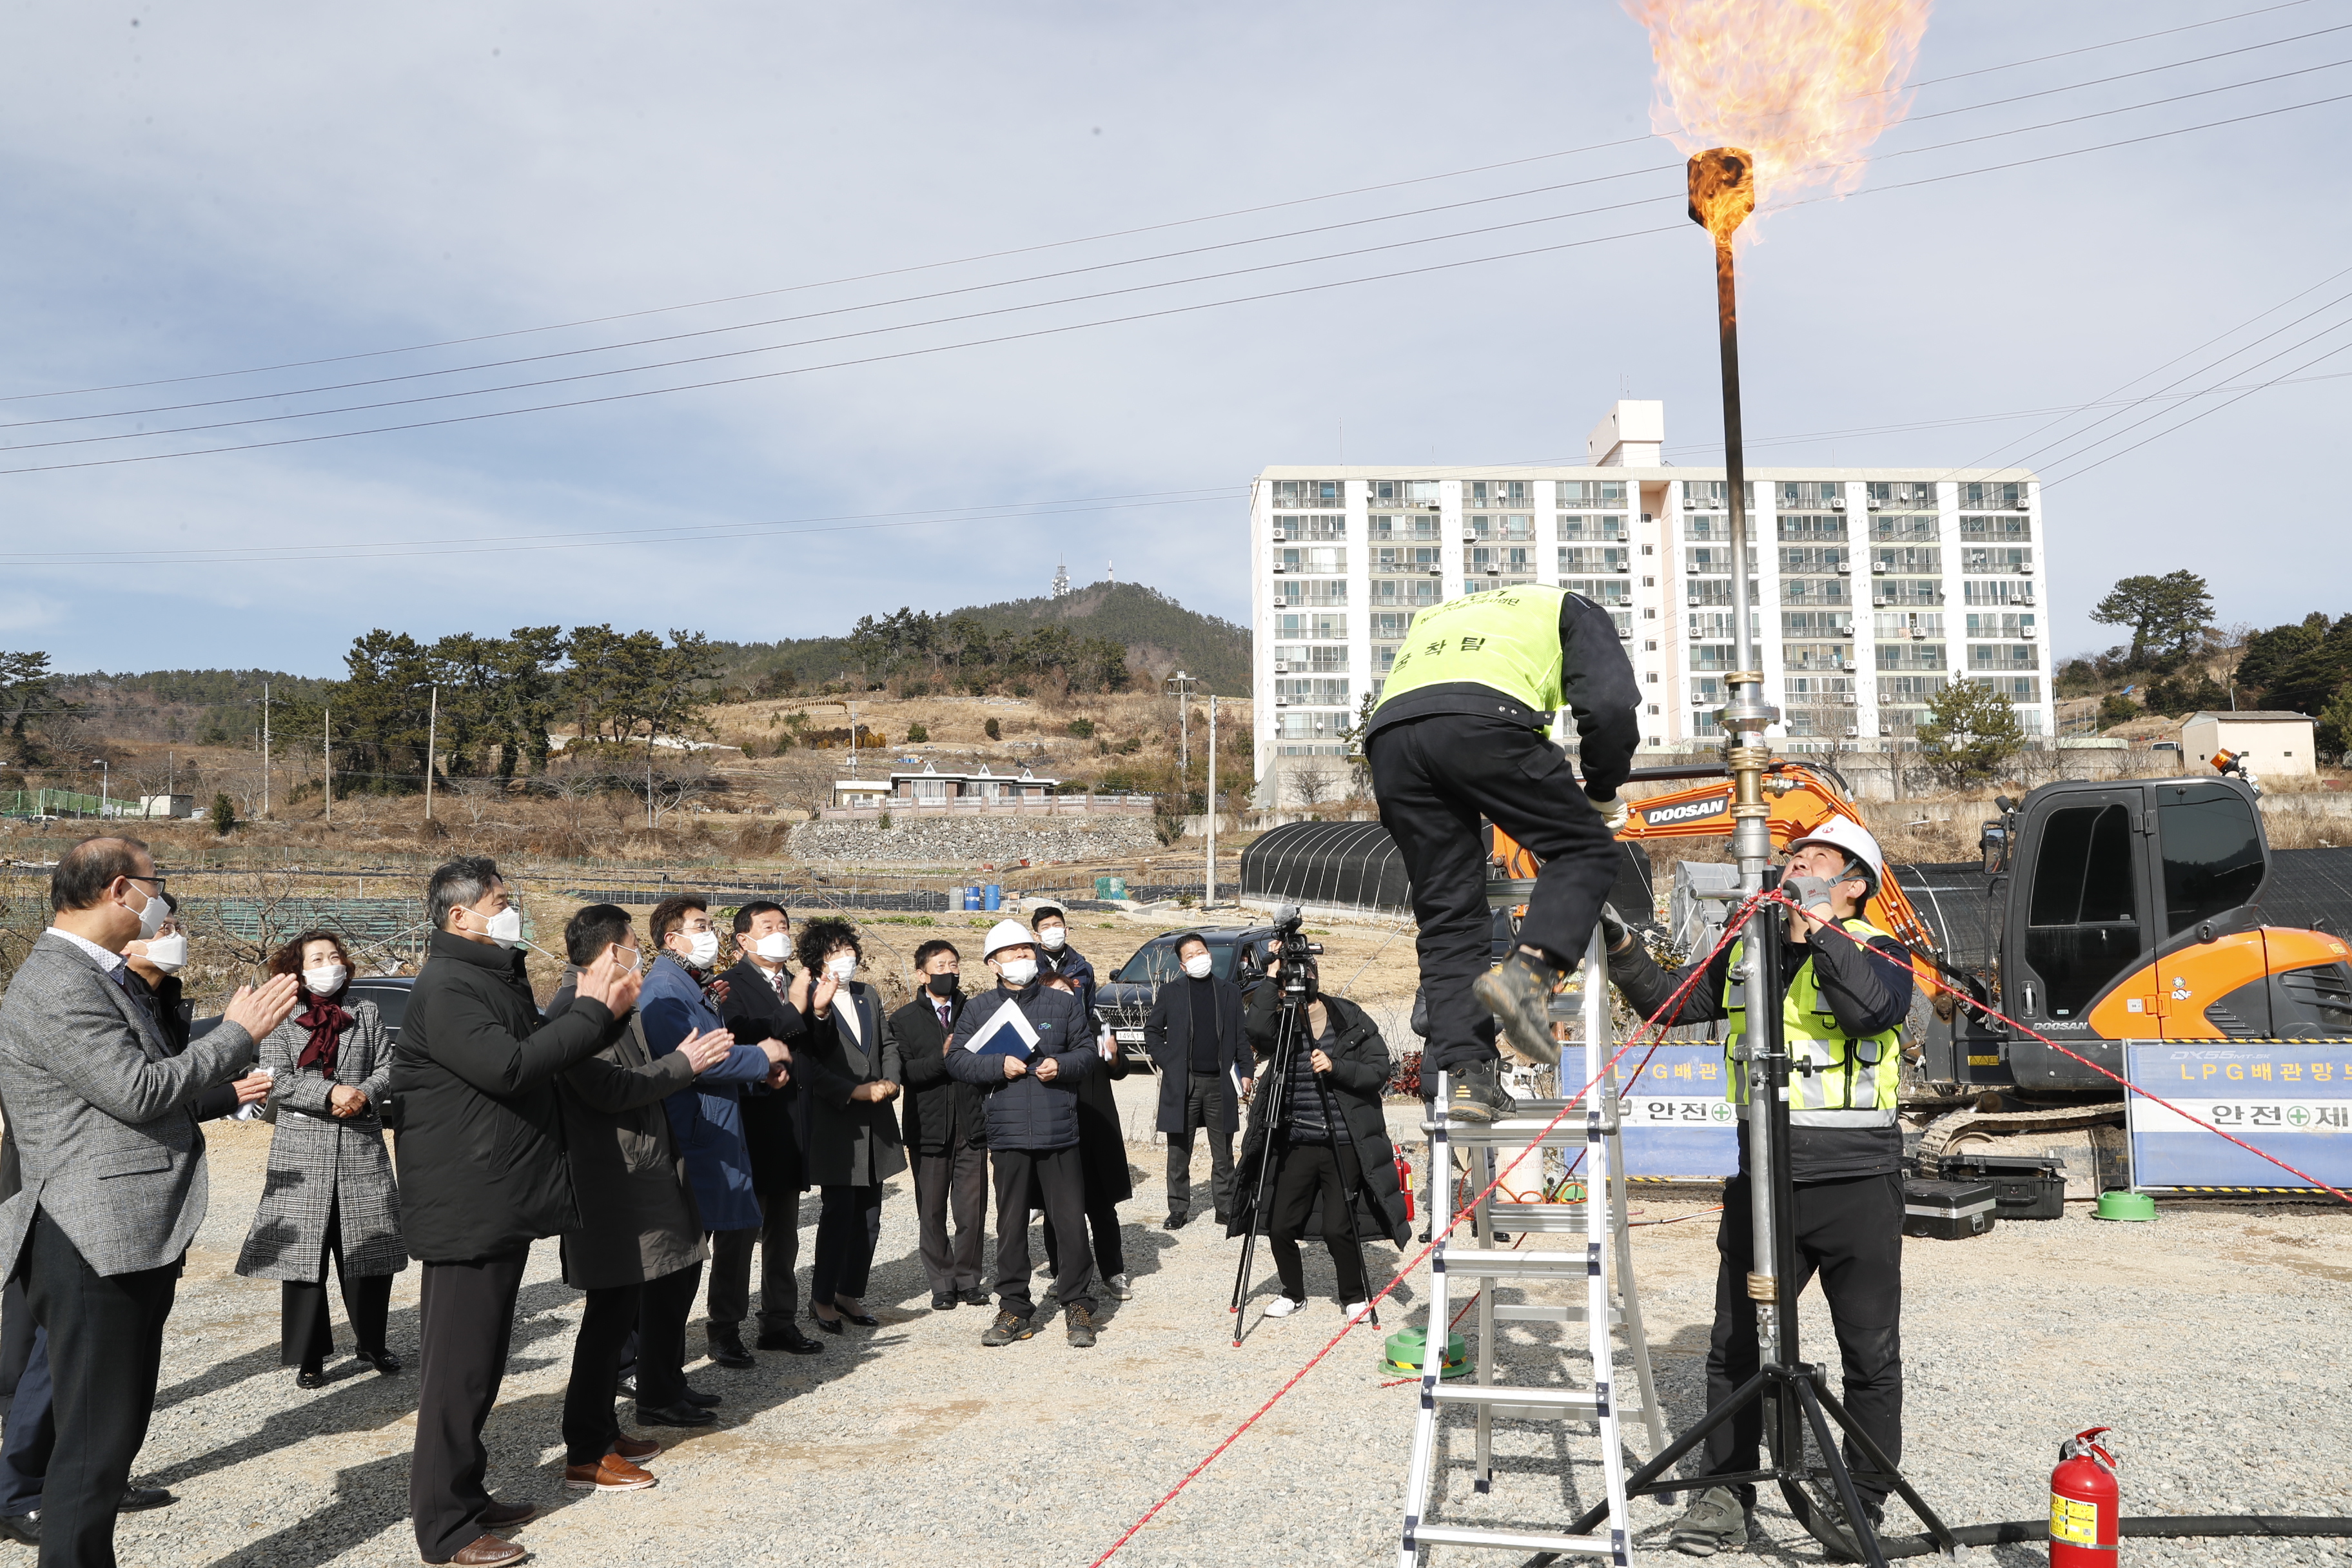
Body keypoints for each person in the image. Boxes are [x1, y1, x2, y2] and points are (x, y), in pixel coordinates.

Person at [1596, 818, 1910, 1558]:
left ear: (1853, 883)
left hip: (1856, 1181)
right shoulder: (1749, 949)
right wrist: (1619, 945)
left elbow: (1873, 1008)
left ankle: (1859, 1491)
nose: (1796, 862)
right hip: (1761, 1178)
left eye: (1817, 858)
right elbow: (1671, 1005)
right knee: (1734, 1345)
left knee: (1870, 1349)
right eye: (1792, 855)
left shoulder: (1881, 948)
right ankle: (1723, 1495)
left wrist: (1819, 929)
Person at [0, 836, 298, 1567]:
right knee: (92, 1444)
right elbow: (138, 1090)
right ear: (118, 890)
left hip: (120, 1232)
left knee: (111, 1431)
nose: (162, 899)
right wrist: (239, 1035)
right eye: (155, 884)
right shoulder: (57, 982)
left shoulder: (98, 975)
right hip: (88, 1235)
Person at [392, 856, 641, 1568]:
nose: (513, 910)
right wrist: (592, 1010)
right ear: (458, 917)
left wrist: (602, 1015)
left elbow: (540, 1054)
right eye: (499, 901)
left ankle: (467, 1496)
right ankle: (446, 1527)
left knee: (481, 1364)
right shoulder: (447, 986)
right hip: (466, 1201)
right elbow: (507, 1067)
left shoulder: (487, 976)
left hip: (493, 1197)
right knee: (456, 1374)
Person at [1361, 583, 1641, 1121]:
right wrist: (1602, 792)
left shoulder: (1436, 614)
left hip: (1390, 739)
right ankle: (1527, 977)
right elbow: (1609, 706)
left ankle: (1468, 1079)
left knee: (1447, 913)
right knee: (1584, 849)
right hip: (1482, 719)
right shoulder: (1574, 608)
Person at [548, 905, 735, 1488]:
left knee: (620, 1311)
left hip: (633, 1176)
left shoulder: (611, 1008)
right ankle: (585, 1449)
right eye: (632, 945)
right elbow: (610, 1088)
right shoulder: (571, 1012)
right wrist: (685, 1064)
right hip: (607, 1184)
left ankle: (603, 1429)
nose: (639, 955)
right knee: (606, 1321)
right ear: (610, 952)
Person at [234, 931, 407, 1387]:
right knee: (304, 1258)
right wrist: (331, 1091)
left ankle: (372, 1341)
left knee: (369, 1252)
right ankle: (310, 1354)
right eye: (318, 958)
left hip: (360, 1144)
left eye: (335, 956)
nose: (329, 963)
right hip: (301, 1151)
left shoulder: (365, 1013)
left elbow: (390, 1068)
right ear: (299, 969)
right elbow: (276, 1080)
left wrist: (364, 1094)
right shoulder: (284, 1019)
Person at [640, 896, 787, 1375]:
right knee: (681, 1263)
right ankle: (651, 1366)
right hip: (695, 1134)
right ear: (672, 938)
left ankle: (671, 1366)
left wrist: (753, 1070)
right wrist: (762, 1056)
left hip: (718, 1128)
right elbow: (698, 1062)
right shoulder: (663, 990)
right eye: (701, 926)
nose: (711, 935)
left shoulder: (693, 986)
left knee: (714, 1246)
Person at [1228, 949, 1411, 1318]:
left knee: (1337, 1228)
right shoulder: (1280, 1020)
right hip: (1296, 1139)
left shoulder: (1348, 1016)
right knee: (1279, 1225)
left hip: (1343, 1141)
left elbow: (1378, 1071)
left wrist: (1337, 1066)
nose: (1303, 977)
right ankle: (1293, 1292)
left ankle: (1353, 1295)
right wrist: (1269, 977)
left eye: (1307, 970)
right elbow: (1255, 1031)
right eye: (1293, 973)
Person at [946, 920, 1100, 1349]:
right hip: (1008, 1132)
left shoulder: (1063, 1003)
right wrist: (998, 1066)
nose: (1022, 959)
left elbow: (1087, 1053)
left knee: (1069, 1221)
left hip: (1059, 1130)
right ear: (993, 964)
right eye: (1011, 954)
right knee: (1011, 1224)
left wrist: (1062, 1066)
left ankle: (1078, 1304)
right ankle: (1014, 1307)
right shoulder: (978, 1009)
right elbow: (957, 1061)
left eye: (1026, 952)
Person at [714, 902, 824, 1355]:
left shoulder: (798, 981)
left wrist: (815, 1012)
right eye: (768, 927)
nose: (780, 933)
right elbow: (741, 1035)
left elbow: (816, 1048)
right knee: (738, 1239)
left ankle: (778, 1322)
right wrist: (796, 1008)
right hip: (751, 1125)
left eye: (784, 926)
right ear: (744, 939)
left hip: (792, 1126)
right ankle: (725, 1328)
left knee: (785, 1235)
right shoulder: (728, 986)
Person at [785, 919, 904, 1334]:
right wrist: (851, 1092)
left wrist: (891, 1079)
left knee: (870, 1215)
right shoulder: (807, 999)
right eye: (835, 951)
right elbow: (808, 1063)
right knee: (838, 1213)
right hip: (838, 1123)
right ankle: (822, 1298)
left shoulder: (867, 993)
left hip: (878, 1118)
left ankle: (850, 1292)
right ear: (818, 960)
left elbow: (888, 1043)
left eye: (849, 949)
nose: (846, 957)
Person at [890, 940, 990, 1311]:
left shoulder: (976, 1011)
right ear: (922, 973)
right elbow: (908, 1073)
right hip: (928, 1127)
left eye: (954, 965)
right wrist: (943, 1057)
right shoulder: (903, 1020)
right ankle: (942, 1283)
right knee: (931, 1211)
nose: (949, 972)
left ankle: (969, 1280)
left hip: (972, 1124)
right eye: (941, 965)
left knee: (972, 1209)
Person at [1039, 972, 1133, 1302]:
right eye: (1055, 993)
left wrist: (1114, 1055)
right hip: (1057, 1131)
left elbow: (1117, 1071)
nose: (1064, 997)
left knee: (1102, 1207)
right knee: (1058, 1212)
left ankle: (1113, 1272)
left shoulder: (1094, 1028)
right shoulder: (1038, 1035)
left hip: (1097, 1128)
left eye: (1068, 991)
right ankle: (1061, 1273)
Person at [1141, 933, 1246, 1230]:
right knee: (1178, 1152)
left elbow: (1240, 1037)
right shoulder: (1171, 992)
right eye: (1190, 955)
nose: (1197, 957)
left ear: (1209, 955)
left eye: (1201, 952)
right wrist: (1169, 1062)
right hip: (1182, 1083)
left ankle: (1225, 1208)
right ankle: (1178, 1209)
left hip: (1219, 1083)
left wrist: (1247, 1072)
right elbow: (1152, 1032)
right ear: (1183, 965)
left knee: (1223, 1151)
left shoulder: (1229, 992)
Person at [1030, 905, 1097, 1021]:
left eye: (1057, 925)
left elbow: (1088, 1010)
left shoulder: (1084, 968)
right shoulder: (1029, 968)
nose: (1053, 931)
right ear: (1036, 936)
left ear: (1066, 931)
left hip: (1075, 1035)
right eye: (1046, 927)